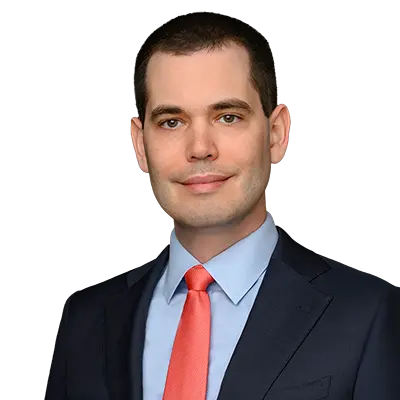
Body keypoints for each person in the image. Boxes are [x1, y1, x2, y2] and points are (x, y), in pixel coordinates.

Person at [45, 11, 400, 400]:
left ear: (276, 134)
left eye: (228, 117)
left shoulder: (368, 315)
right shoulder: (85, 321)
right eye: (172, 122)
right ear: (139, 145)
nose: (200, 148)